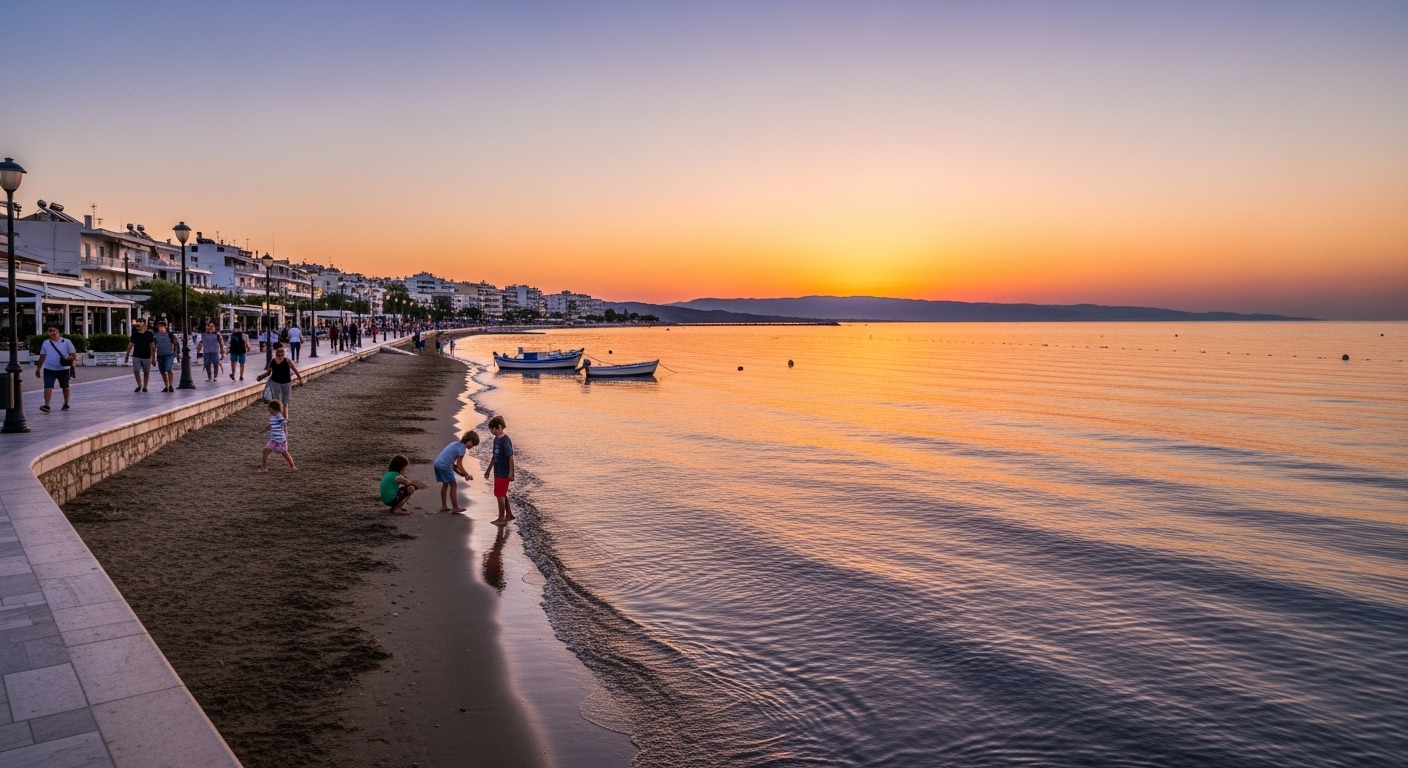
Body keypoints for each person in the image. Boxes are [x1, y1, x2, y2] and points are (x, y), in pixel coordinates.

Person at [34, 325, 77, 413]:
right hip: (49, 368)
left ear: (58, 332)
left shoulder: (66, 342)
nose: (52, 333)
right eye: (50, 331)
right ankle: (47, 406)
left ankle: (66, 404)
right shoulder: (46, 343)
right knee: (48, 386)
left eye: (54, 331)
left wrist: (69, 358)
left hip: (63, 369)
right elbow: (42, 356)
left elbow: (73, 354)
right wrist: (38, 368)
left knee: (65, 386)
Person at [433, 432, 480, 512]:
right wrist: (466, 474)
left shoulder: (455, 444)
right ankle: (455, 507)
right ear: (469, 442)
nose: (472, 447)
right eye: (472, 445)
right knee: (453, 485)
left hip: (437, 464)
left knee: (445, 483)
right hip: (444, 466)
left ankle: (444, 506)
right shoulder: (462, 449)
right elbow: (459, 465)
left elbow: (452, 464)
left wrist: (460, 473)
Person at [256, 343, 303, 416]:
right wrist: (261, 377)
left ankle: (285, 419)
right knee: (278, 402)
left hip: (286, 383)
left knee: (285, 402)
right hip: (275, 383)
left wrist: (300, 379)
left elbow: (295, 370)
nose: (280, 356)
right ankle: (279, 418)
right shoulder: (273, 361)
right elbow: (268, 373)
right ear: (276, 353)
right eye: (279, 354)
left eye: (282, 354)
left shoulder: (287, 361)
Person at [484, 415, 515, 525]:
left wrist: (511, 472)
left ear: (499, 427)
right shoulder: (496, 440)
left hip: (504, 472)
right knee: (502, 493)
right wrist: (488, 470)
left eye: (493, 429)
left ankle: (501, 517)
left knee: (499, 494)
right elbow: (494, 456)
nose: (492, 432)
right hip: (497, 471)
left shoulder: (505, 441)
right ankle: (509, 514)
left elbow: (510, 456)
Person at [257, 400, 296, 472]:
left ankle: (292, 466)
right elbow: (271, 426)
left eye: (269, 407)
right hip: (273, 439)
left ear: (274, 408)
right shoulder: (272, 417)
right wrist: (263, 430)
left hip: (280, 440)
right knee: (265, 451)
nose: (268, 409)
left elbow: (284, 422)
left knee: (285, 453)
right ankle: (264, 467)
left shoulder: (279, 416)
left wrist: (286, 430)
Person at [124, 318, 156, 392]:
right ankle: (139, 385)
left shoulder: (149, 334)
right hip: (136, 356)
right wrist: (127, 356)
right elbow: (130, 346)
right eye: (138, 322)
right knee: (136, 370)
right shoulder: (135, 334)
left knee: (146, 372)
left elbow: (153, 346)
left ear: (144, 324)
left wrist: (153, 358)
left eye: (141, 323)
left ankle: (145, 387)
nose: (139, 324)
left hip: (147, 356)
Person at [153, 320, 179, 392]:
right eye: (159, 327)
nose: (161, 328)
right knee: (163, 371)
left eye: (162, 327)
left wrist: (173, 353)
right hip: (160, 355)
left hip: (168, 355)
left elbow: (173, 344)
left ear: (165, 327)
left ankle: (170, 385)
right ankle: (166, 386)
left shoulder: (169, 334)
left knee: (168, 369)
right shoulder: (155, 336)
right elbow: (153, 346)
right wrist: (153, 357)